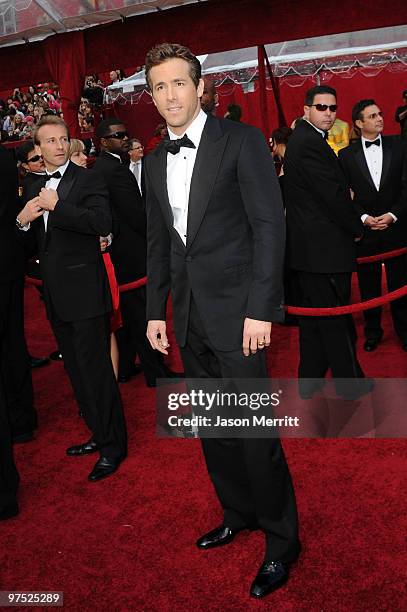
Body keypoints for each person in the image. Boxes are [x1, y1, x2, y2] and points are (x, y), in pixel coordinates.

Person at [144, 42, 300, 599]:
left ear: (200, 86)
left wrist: (262, 308)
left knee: (256, 435)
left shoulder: (242, 141)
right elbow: (160, 244)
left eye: (178, 83)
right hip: (189, 318)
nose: (169, 96)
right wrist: (154, 313)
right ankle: (239, 513)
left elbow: (269, 227)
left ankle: (283, 541)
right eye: (158, 87)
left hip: (240, 318)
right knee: (214, 431)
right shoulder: (154, 160)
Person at [16, 116, 127, 482]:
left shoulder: (88, 177)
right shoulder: (32, 183)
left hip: (86, 294)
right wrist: (22, 221)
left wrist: (57, 205)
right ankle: (98, 433)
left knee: (96, 374)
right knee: (77, 373)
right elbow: (35, 245)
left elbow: (101, 223)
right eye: (50, 141)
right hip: (55, 296)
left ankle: (114, 446)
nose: (59, 146)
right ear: (38, 148)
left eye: (64, 139)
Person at [284, 85, 369, 399]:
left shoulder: (307, 140)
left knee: (314, 322)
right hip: (323, 250)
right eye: (321, 107)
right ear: (306, 109)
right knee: (334, 320)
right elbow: (332, 196)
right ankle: (350, 385)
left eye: (333, 108)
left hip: (312, 251)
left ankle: (310, 380)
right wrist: (357, 227)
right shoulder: (308, 143)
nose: (329, 113)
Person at [93, 118, 181, 387]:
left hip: (122, 254)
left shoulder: (106, 166)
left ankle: (130, 365)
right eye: (117, 135)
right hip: (132, 257)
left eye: (125, 133)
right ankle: (156, 373)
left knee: (132, 315)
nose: (124, 138)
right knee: (144, 314)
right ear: (104, 141)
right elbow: (136, 215)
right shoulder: (115, 170)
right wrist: (159, 239)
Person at [339, 99, 407, 352]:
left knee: (401, 286)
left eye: (379, 114)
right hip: (366, 233)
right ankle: (372, 332)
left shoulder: (400, 146)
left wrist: (393, 215)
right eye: (372, 116)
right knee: (369, 288)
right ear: (359, 123)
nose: (379, 118)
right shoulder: (345, 156)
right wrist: (363, 218)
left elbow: (405, 187)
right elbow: (344, 195)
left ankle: (404, 332)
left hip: (397, 229)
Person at [68, 137, 122, 377]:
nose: (84, 158)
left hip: (101, 263)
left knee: (107, 329)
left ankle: (109, 387)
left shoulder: (93, 181)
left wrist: (106, 238)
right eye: (77, 155)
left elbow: (107, 223)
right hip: (75, 274)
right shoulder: (52, 191)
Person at [0, 142, 37, 444]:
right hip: (10, 258)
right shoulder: (3, 154)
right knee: (13, 341)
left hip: (5, 260)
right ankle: (22, 416)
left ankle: (17, 417)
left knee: (9, 344)